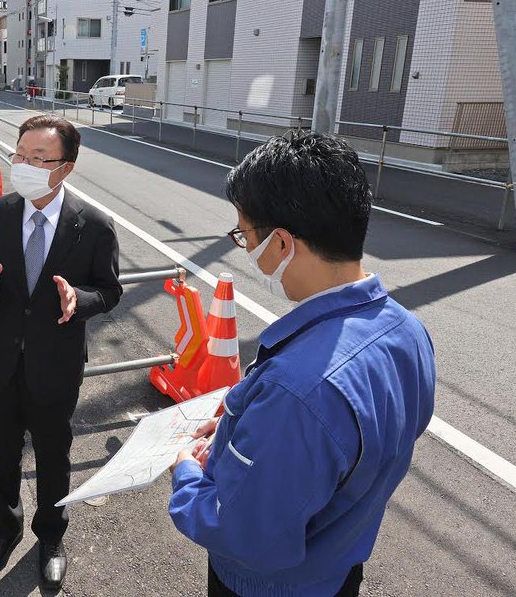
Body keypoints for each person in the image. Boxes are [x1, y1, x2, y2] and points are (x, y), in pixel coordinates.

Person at [169, 131, 437, 597]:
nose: (245, 248)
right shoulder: (406, 330)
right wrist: (244, 432)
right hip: (338, 566)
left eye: (244, 235)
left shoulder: (296, 391)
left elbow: (242, 531)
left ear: (281, 243)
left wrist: (185, 473)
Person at [0, 115, 122, 591]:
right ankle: (4, 530)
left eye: (37, 159)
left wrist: (80, 299)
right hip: (0, 359)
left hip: (56, 363)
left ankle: (51, 537)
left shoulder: (92, 225)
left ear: (65, 167)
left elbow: (109, 290)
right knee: (1, 453)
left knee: (54, 454)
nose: (23, 165)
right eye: (19, 155)